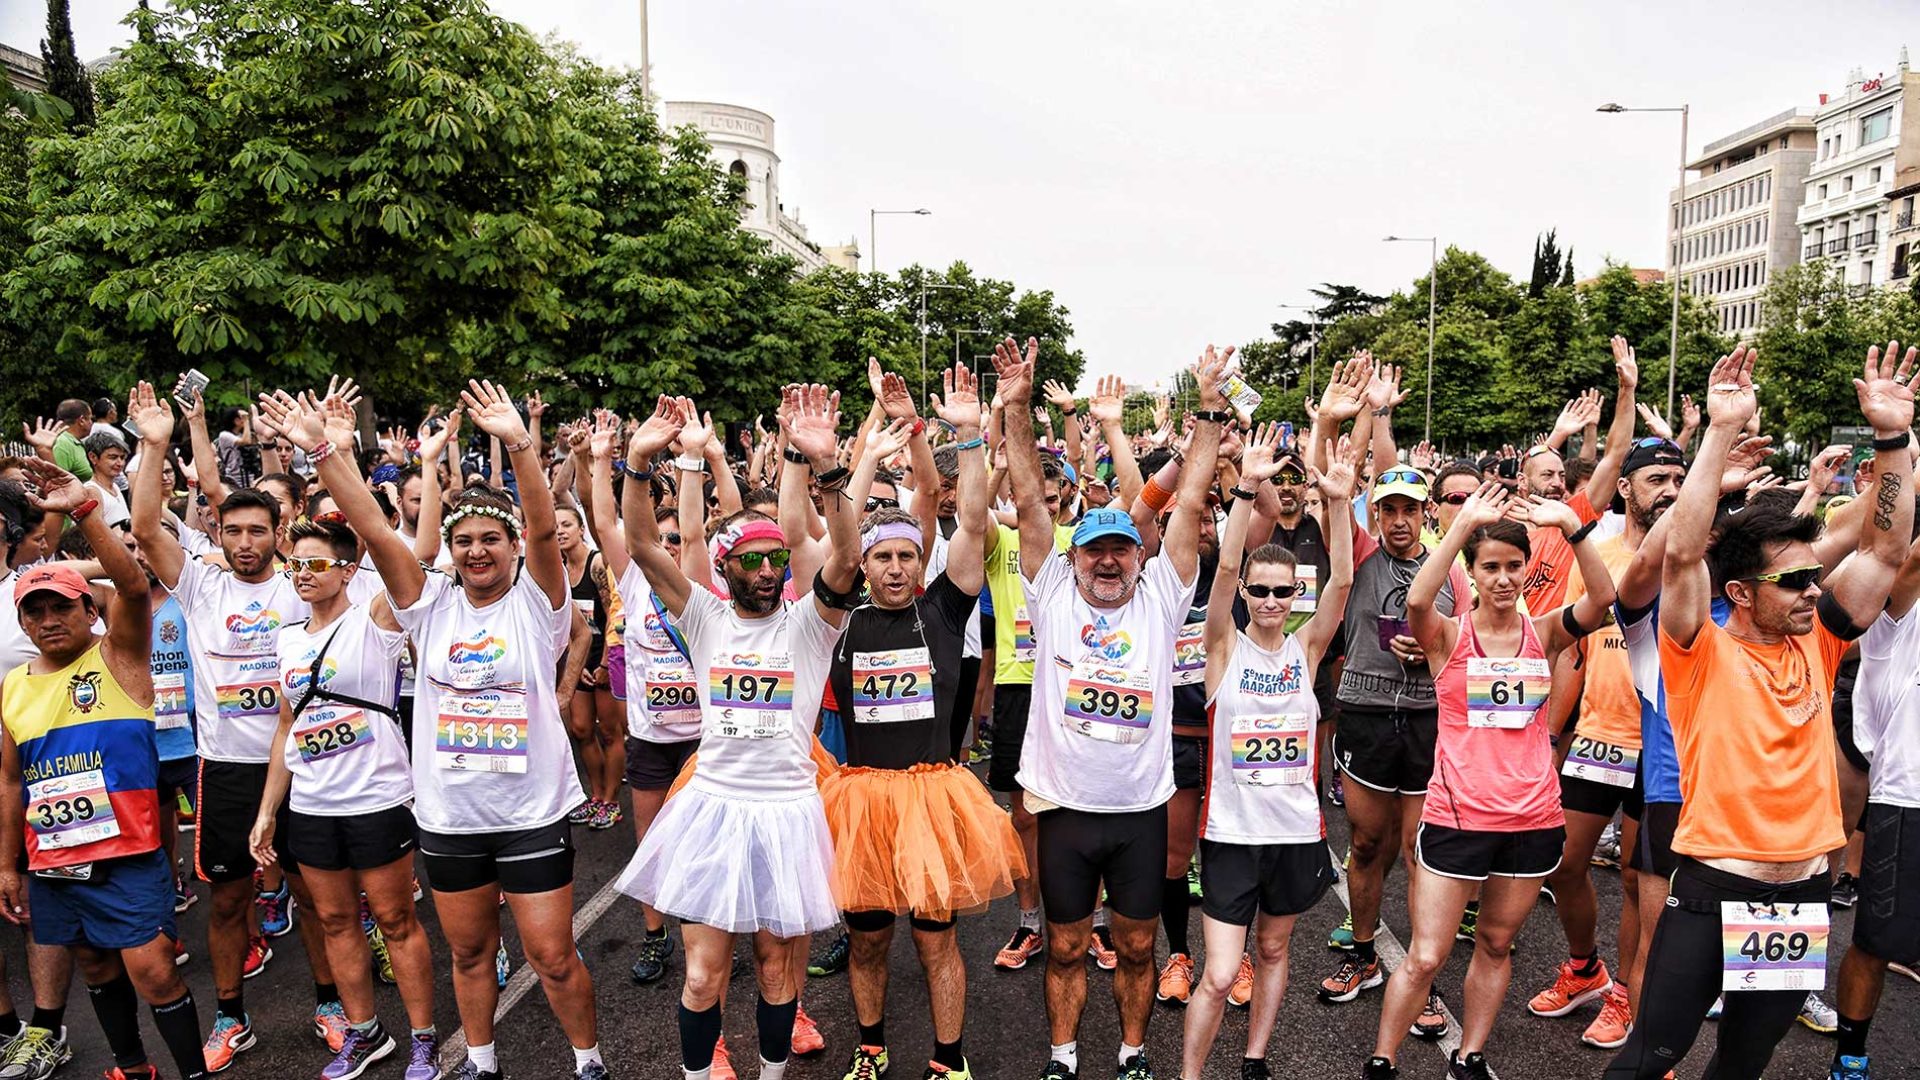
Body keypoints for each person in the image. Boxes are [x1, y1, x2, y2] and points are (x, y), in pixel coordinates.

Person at [265, 380, 609, 1080]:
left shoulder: (537, 605)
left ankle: (588, 1061)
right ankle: (481, 1062)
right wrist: (325, 454)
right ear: (449, 551)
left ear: (512, 548)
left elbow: (544, 528)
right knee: (471, 953)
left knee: (550, 954)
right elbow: (370, 526)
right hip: (450, 818)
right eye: (465, 541)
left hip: (531, 813)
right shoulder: (427, 604)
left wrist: (519, 444)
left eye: (491, 539)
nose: (477, 551)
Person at [1603, 344, 1917, 1080]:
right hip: (1715, 890)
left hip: (1802, 894)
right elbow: (1682, 556)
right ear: (1741, 592)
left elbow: (1888, 547)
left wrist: (1895, 438)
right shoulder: (1697, 649)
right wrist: (1717, 431)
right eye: (1794, 581)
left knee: (1745, 1062)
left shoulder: (1822, 643)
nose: (1814, 590)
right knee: (1649, 1058)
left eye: (1815, 577)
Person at [612, 387, 852, 1080]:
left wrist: (825, 465)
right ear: (725, 568)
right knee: (700, 976)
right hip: (712, 808)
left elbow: (844, 553)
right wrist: (637, 461)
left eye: (777, 557)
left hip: (787, 811)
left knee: (780, 968)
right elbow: (643, 546)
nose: (770, 569)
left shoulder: (810, 624)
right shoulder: (704, 619)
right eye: (753, 559)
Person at [1008, 337, 1224, 1080]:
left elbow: (1190, 499)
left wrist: (1206, 411)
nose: (1107, 562)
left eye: (1121, 550)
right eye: (1094, 550)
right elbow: (1032, 500)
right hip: (1065, 810)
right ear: (1072, 558)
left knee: (1136, 948)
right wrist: (1013, 407)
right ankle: (1063, 1056)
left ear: (1141, 555)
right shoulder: (1053, 591)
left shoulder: (1165, 594)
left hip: (1139, 811)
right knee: (1067, 947)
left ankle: (1132, 1056)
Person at [1363, 478, 1615, 1080]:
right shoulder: (1449, 636)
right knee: (1426, 956)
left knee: (1496, 945)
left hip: (1532, 820)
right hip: (1457, 817)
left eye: (1514, 566)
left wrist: (1573, 528)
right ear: (1472, 574)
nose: (1504, 578)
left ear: (1527, 569)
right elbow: (1418, 604)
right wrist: (1457, 528)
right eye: (1491, 567)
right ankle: (1383, 1060)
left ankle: (1470, 1055)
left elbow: (1603, 600)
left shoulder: (1547, 632)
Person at [126, 382, 341, 1072]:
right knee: (228, 902)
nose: (245, 542)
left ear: (280, 534)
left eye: (258, 531)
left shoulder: (300, 588)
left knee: (315, 896)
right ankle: (231, 1016)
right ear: (216, 536)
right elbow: (143, 524)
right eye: (233, 531)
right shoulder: (201, 586)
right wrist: (155, 443)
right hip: (225, 770)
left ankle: (331, 1003)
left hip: (304, 764)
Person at [822, 362, 1024, 1080]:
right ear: (864, 564)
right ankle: (871, 1048)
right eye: (884, 557)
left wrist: (970, 435)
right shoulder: (836, 621)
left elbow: (971, 521)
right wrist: (852, 459)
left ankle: (949, 1061)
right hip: (864, 799)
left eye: (909, 554)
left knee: (938, 944)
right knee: (870, 942)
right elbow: (825, 533)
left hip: (935, 796)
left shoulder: (943, 608)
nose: (898, 567)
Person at [0, 458, 212, 1080]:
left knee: (153, 969)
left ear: (88, 612)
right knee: (93, 963)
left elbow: (135, 585)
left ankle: (193, 1074)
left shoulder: (119, 659)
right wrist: (7, 865)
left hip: (129, 852)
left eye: (61, 607)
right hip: (54, 857)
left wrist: (85, 510)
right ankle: (131, 1067)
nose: (48, 620)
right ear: (22, 623)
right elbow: (11, 781)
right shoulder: (12, 688)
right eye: (34, 612)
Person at [1178, 424, 1355, 1080]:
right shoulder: (1223, 648)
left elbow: (1340, 583)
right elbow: (1224, 566)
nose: (1274, 602)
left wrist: (1337, 502)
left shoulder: (1306, 651)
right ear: (1248, 595)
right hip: (1230, 836)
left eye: (1285, 593)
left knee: (1276, 951)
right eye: (1263, 591)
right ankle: (1191, 1074)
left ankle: (1254, 1060)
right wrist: (1246, 490)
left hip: (1293, 835)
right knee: (1221, 974)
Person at [247, 517, 438, 1080]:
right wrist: (266, 811)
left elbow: (414, 550)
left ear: (348, 570)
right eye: (295, 565)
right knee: (334, 921)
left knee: (395, 919)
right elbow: (286, 726)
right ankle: (364, 1032)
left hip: (376, 798)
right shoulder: (286, 638)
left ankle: (422, 1036)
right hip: (311, 803)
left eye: (315, 564)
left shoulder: (374, 619)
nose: (302, 574)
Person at [1834, 494, 1920, 1080]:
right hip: (1906, 800)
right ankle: (1850, 1059)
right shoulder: (1901, 611)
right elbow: (1907, 566)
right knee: (1874, 942)